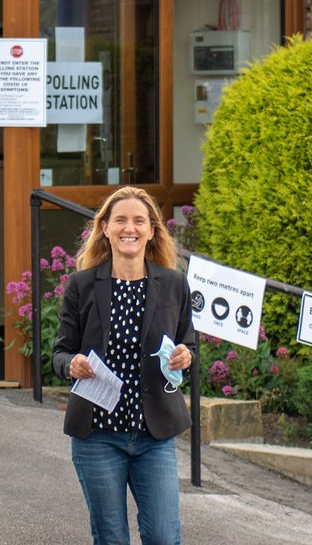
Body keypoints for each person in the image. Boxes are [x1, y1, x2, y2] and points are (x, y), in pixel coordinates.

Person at [52, 186, 196, 545]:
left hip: (154, 436)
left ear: (151, 231)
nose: (129, 228)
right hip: (98, 435)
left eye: (138, 221)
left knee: (163, 537)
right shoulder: (82, 285)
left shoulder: (173, 284)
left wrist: (186, 356)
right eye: (120, 220)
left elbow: (188, 345)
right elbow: (60, 353)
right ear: (105, 228)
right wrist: (73, 364)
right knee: (112, 538)